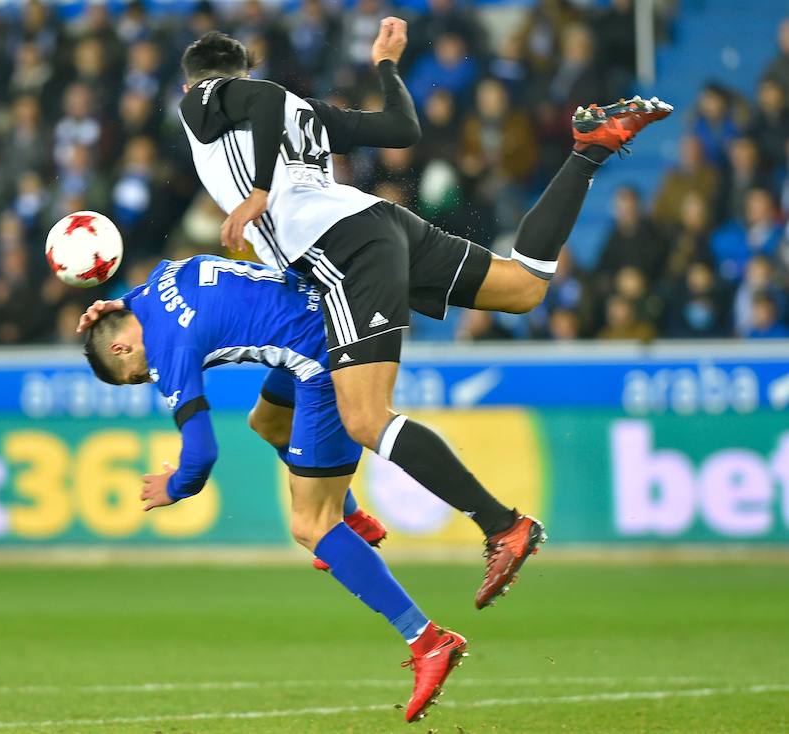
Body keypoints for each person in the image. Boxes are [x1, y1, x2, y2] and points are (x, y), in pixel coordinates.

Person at [174, 20, 670, 611]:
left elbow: (261, 96)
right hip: (377, 224)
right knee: (523, 288)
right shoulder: (302, 112)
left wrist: (257, 191)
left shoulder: (208, 96)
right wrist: (386, 69)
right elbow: (401, 128)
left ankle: (501, 525)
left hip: (340, 251)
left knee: (365, 419)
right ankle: (589, 148)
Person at [79, 253, 466, 723]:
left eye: (135, 377)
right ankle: (352, 517)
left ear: (121, 349)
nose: (146, 379)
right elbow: (130, 307)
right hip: (329, 310)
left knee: (309, 525)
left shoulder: (168, 350)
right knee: (268, 420)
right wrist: (107, 306)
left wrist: (174, 487)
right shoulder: (158, 279)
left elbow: (201, 456)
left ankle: (428, 642)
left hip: (326, 355)